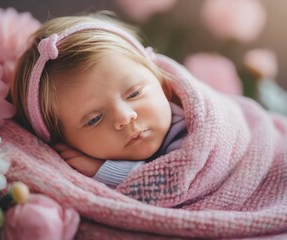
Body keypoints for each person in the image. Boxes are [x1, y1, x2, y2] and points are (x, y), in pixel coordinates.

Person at [11, 12, 187, 188]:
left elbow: (176, 184)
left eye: (134, 94)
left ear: (162, 84)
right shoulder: (78, 175)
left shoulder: (188, 131)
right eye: (94, 119)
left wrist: (107, 172)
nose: (124, 117)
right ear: (65, 143)